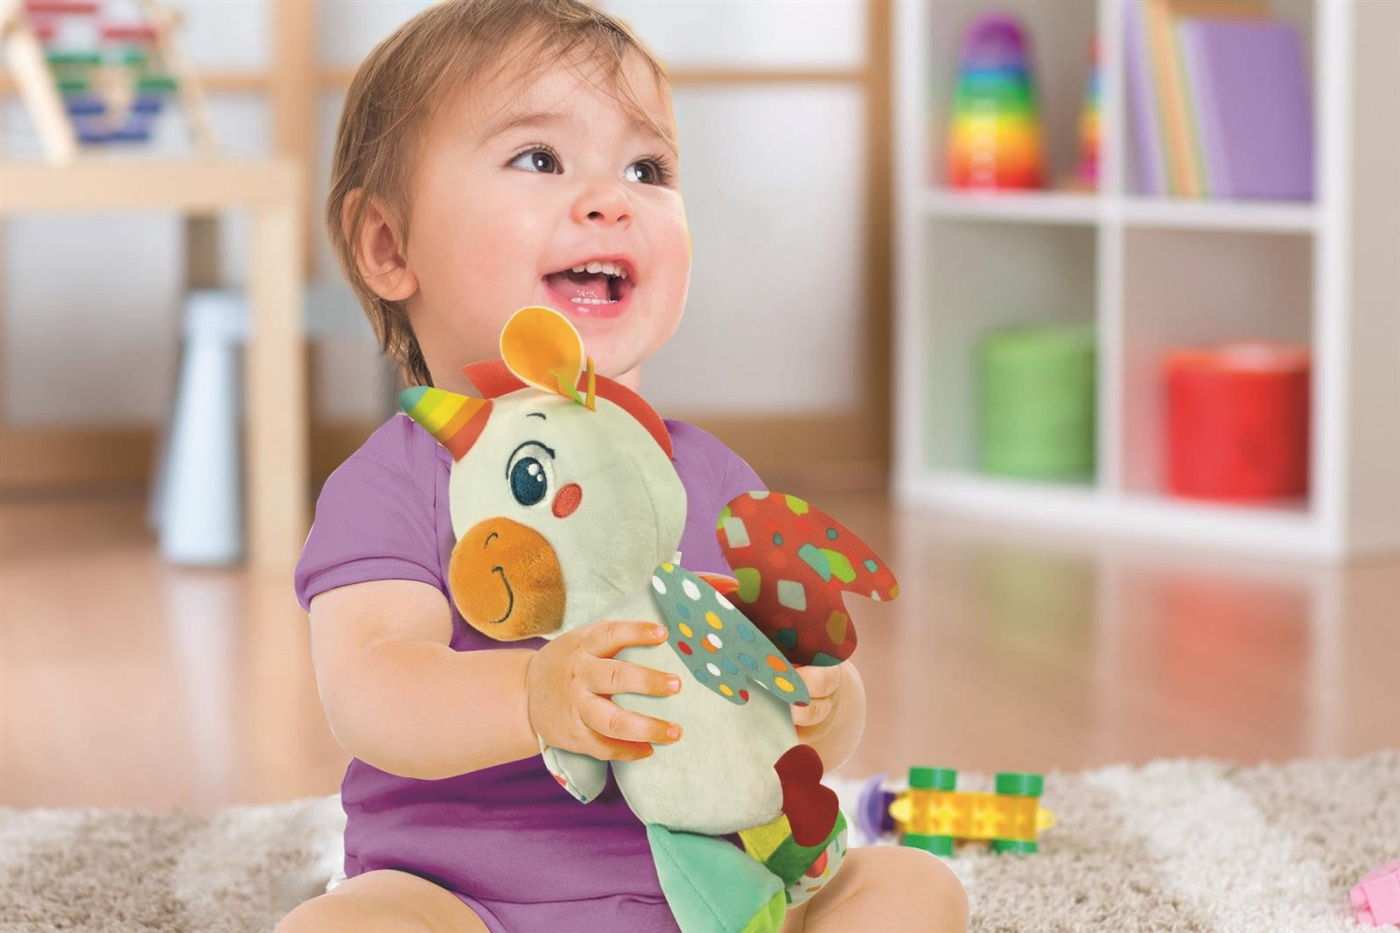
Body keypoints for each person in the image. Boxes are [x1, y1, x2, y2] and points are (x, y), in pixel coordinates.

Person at [279, 2, 968, 931]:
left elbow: (806, 697)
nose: (612, 199)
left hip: (719, 901)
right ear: (388, 246)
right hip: (463, 897)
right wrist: (536, 693)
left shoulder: (709, 477)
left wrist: (824, 700)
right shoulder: (396, 481)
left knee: (915, 886)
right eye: (540, 158)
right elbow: (373, 688)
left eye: (648, 169)